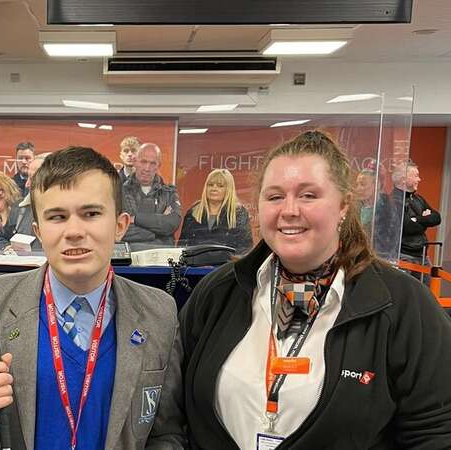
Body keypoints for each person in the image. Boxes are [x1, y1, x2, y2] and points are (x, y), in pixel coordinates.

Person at [175, 130, 451, 449]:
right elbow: (176, 412)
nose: (289, 210)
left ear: (344, 205)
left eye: (308, 195)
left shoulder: (401, 305)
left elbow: (436, 431)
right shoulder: (219, 292)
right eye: (275, 196)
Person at [0, 146, 184, 449]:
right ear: (39, 232)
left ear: (120, 226)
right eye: (57, 217)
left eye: (91, 214)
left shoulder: (159, 313)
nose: (74, 231)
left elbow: (167, 432)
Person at [121, 143, 182, 247]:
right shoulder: (119, 191)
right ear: (135, 161)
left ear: (159, 165)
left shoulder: (169, 193)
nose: (147, 168)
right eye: (143, 162)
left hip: (163, 258)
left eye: (153, 163)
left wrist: (135, 219)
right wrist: (158, 231)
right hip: (129, 258)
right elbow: (119, 230)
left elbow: (171, 225)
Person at [179, 168, 252, 254]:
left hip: (227, 264)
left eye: (220, 186)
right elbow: (182, 245)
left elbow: (244, 248)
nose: (214, 188)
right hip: (195, 264)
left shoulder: (239, 213)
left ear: (228, 189)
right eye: (210, 185)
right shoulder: (193, 212)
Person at [0, 152, 50, 251]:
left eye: (33, 179)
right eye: (27, 177)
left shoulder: (68, 214)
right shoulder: (19, 207)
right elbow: (2, 238)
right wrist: (7, 248)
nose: (27, 185)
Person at [392, 161, 441, 267]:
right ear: (403, 179)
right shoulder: (394, 200)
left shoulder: (418, 199)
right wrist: (425, 220)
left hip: (422, 256)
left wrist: (417, 219)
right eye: (416, 176)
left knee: (428, 283)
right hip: (403, 256)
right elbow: (408, 227)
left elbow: (437, 217)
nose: (419, 179)